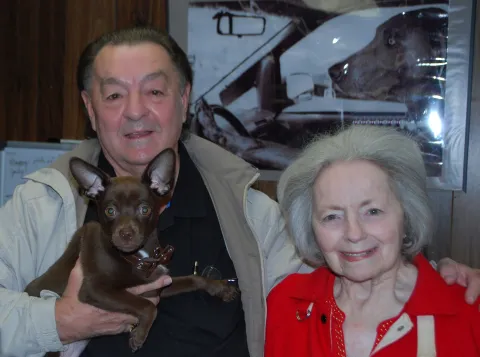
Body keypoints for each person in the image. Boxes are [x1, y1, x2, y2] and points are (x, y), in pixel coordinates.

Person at [0, 27, 478, 357]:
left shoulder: (247, 205)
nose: (135, 112)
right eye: (114, 95)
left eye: (155, 92)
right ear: (89, 107)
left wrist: (429, 278)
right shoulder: (43, 203)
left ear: (184, 100)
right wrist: (60, 321)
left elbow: (338, 269)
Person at [265, 125, 480, 357]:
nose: (354, 233)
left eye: (373, 212)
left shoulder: (468, 311)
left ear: (406, 216)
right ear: (311, 229)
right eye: (332, 216)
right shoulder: (286, 306)